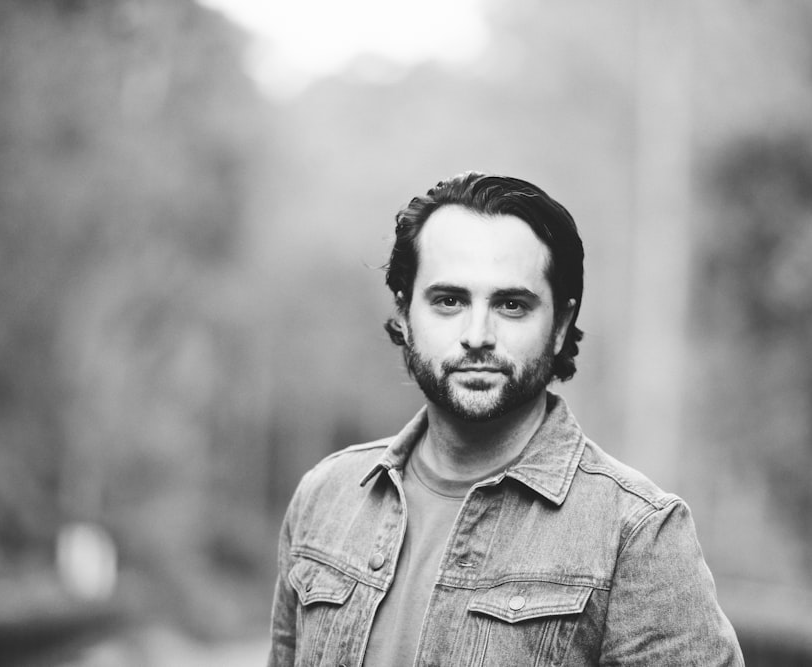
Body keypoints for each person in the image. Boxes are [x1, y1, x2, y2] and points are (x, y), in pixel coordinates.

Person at [267, 172, 743, 666]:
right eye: (449, 301)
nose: (477, 334)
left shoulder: (637, 534)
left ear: (559, 326)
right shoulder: (324, 499)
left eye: (511, 305)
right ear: (406, 316)